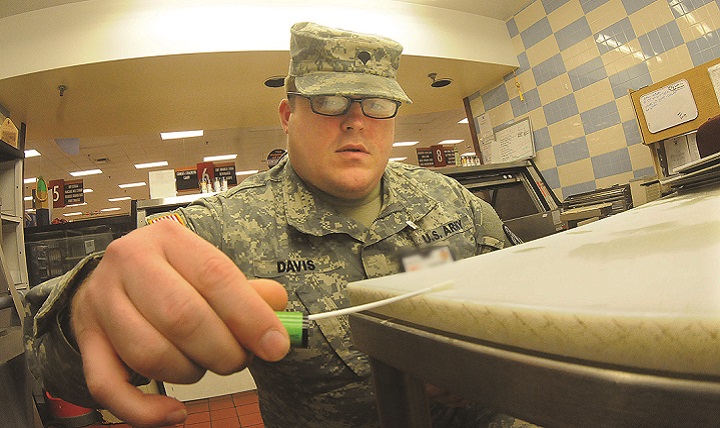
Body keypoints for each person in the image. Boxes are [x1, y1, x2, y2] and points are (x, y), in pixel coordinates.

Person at [24, 22, 534, 428]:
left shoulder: (452, 203)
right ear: (288, 115)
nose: (355, 120)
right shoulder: (225, 229)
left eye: (377, 104)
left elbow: (526, 304)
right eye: (329, 101)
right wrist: (85, 314)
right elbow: (52, 370)